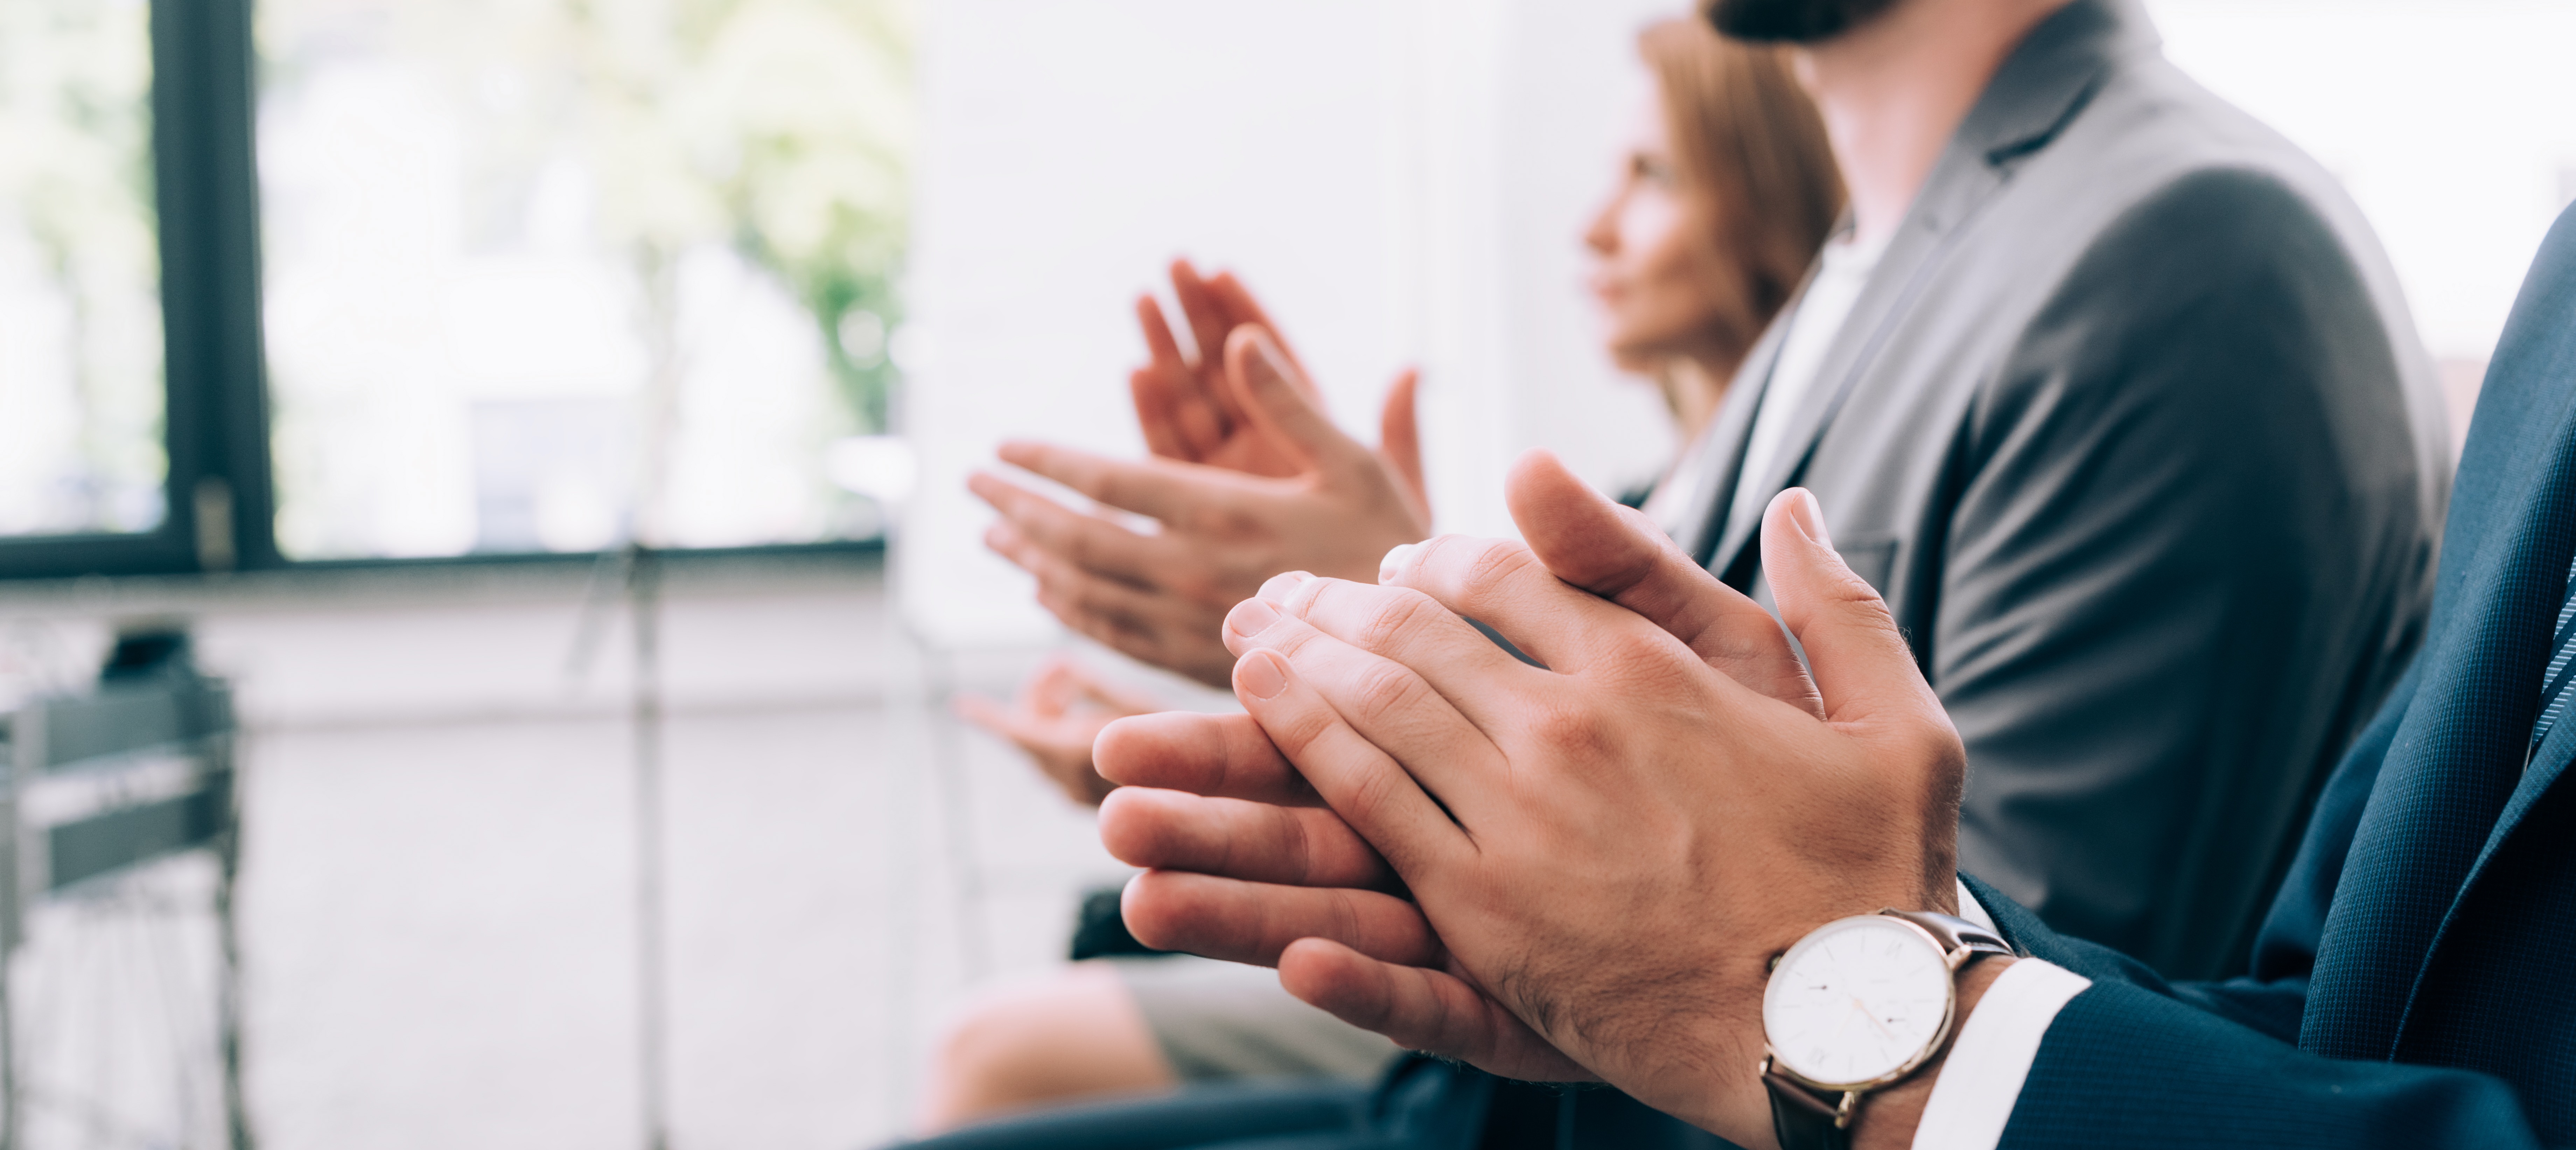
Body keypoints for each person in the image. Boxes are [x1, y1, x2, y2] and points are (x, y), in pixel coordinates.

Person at [1099, 195, 2576, 1149]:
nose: (1598, 225)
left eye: (1651, 171)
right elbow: (2326, 1022)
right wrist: (1843, 938)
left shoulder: (2192, 244)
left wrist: (1847, 1006)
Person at [923, 24, 1846, 1131]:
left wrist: (1368, 590)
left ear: (1770, 195)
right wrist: (1212, 756)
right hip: (1486, 1011)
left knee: (994, 1055)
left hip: (1570, 1043)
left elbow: (1636, 837)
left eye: (1654, 177)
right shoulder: (1648, 500)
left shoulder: (1812, 525)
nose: (1593, 229)